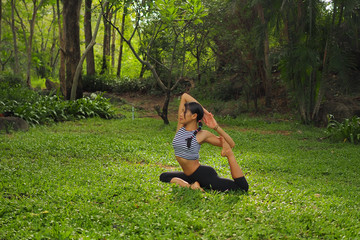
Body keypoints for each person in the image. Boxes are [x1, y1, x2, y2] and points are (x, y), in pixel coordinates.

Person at [159, 93, 249, 192]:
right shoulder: (180, 128)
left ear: (194, 116)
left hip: (202, 174)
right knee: (163, 176)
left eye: (184, 112)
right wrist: (205, 112)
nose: (180, 114)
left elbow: (231, 144)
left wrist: (216, 127)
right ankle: (191, 185)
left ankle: (229, 156)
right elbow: (185, 96)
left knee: (241, 188)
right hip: (189, 175)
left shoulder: (202, 134)